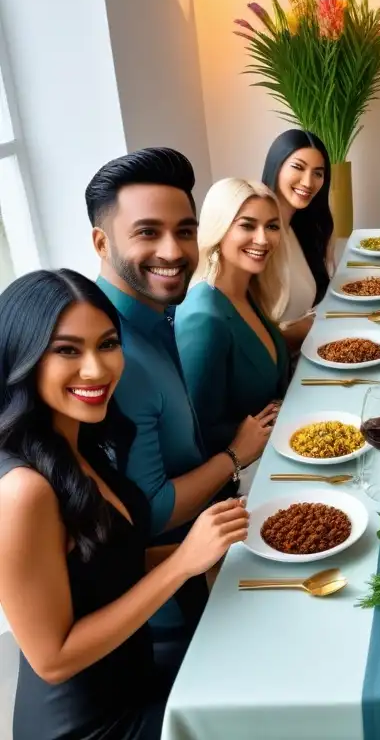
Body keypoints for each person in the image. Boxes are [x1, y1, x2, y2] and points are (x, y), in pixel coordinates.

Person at [0, 269, 249, 740]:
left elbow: (106, 566)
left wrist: (215, 548)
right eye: (67, 350)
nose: (96, 369)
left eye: (108, 344)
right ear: (23, 357)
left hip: (136, 681)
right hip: (91, 726)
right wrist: (180, 565)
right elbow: (51, 659)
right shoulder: (22, 491)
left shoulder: (81, 440)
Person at [86, 148, 273, 669]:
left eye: (185, 231)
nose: (173, 250)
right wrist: (235, 457)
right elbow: (153, 511)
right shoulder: (110, 354)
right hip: (164, 612)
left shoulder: (158, 314)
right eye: (147, 232)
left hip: (199, 556)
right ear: (102, 242)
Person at [176, 178, 288, 466]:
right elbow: (199, 431)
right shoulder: (203, 318)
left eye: (272, 226)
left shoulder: (249, 290)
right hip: (245, 471)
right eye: (247, 225)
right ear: (220, 229)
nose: (262, 239)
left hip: (281, 440)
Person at [261, 129, 333, 350]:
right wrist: (307, 327)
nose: (308, 182)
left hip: (312, 346)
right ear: (276, 166)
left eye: (318, 173)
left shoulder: (304, 227)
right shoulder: (259, 237)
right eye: (298, 167)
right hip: (283, 365)